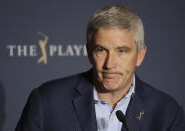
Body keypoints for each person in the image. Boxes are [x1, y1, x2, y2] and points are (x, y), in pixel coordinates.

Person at [15, 5, 185, 131]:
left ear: (140, 55)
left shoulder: (167, 113)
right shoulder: (47, 101)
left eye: (121, 51)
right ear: (89, 53)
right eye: (101, 50)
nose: (110, 64)